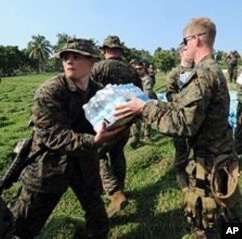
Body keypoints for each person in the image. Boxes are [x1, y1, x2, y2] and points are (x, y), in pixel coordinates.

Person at [114, 17, 241, 238]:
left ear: (196, 40)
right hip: (220, 156)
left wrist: (144, 110)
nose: (184, 46)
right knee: (229, 216)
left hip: (209, 165)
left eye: (186, 41)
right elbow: (186, 108)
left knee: (207, 221)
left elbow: (183, 125)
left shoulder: (202, 74)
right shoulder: (213, 70)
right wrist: (152, 104)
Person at [9, 38, 124, 239]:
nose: (69, 61)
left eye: (76, 57)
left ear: (91, 63)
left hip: (84, 163)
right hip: (49, 164)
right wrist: (93, 141)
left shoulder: (99, 92)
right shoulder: (51, 90)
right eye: (65, 57)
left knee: (97, 214)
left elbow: (113, 116)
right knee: (23, 223)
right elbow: (52, 135)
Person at [91, 35, 142, 217]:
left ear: (104, 51)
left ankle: (113, 192)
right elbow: (139, 93)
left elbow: (87, 93)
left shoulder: (97, 68)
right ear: (119, 51)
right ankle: (120, 187)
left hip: (104, 122)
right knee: (118, 153)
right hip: (125, 119)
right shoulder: (131, 70)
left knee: (98, 155)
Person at [166, 42, 194, 190]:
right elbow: (170, 94)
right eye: (185, 50)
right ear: (180, 53)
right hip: (181, 117)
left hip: (196, 117)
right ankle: (180, 173)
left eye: (190, 49)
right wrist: (185, 98)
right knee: (181, 148)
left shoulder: (198, 70)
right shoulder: (175, 73)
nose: (189, 52)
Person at [128, 61, 157, 148]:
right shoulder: (134, 79)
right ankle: (136, 138)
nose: (138, 71)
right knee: (135, 122)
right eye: (136, 69)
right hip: (136, 102)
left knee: (146, 120)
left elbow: (147, 92)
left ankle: (147, 136)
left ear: (144, 69)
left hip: (145, 101)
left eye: (140, 69)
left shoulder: (147, 79)